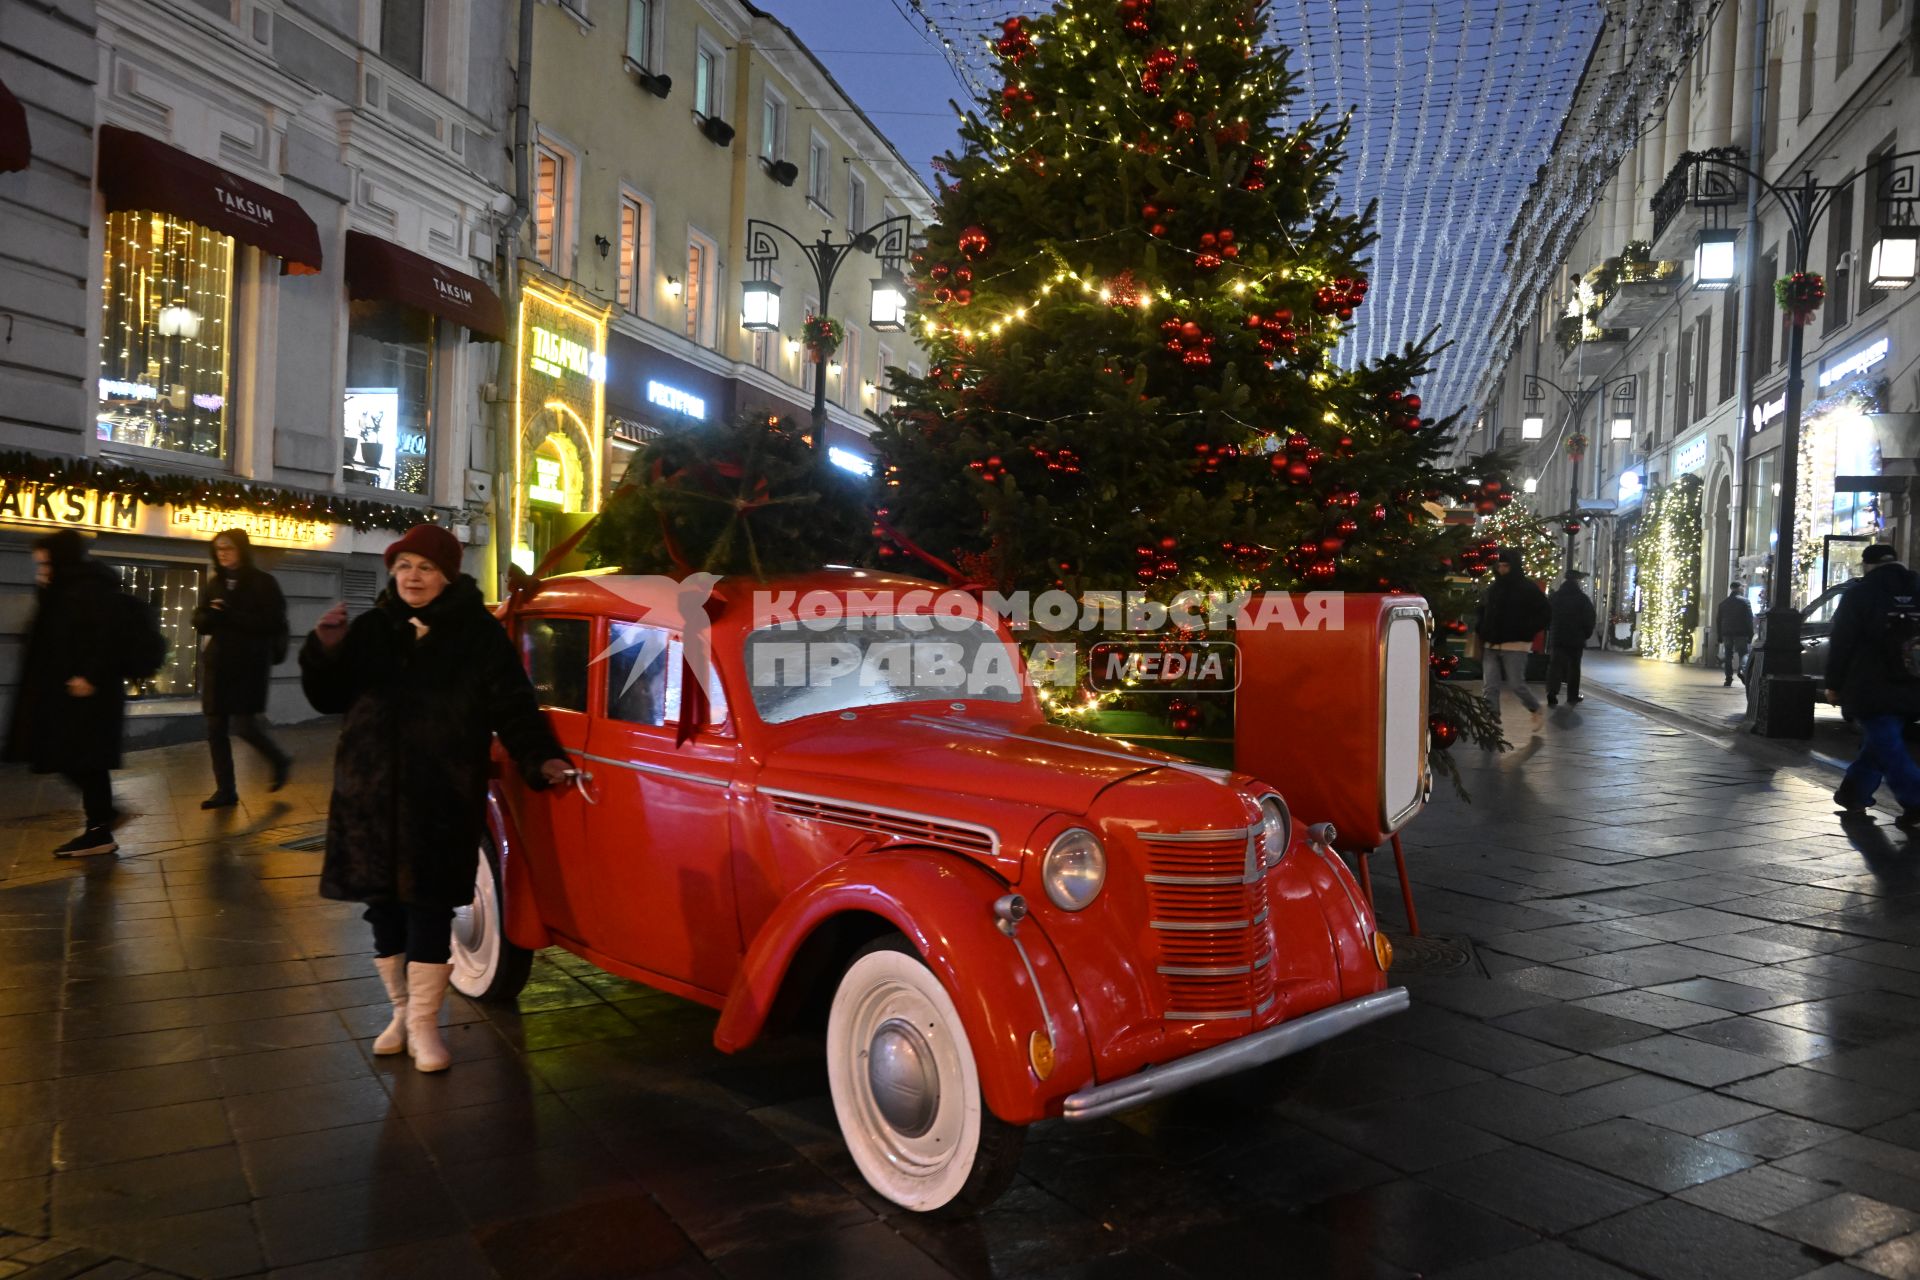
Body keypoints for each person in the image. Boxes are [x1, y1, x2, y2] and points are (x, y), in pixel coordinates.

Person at [300, 524, 572, 1072]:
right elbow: (329, 697)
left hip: (440, 793)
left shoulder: (476, 633)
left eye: (424, 568)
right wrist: (324, 649)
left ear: (446, 575)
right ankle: (399, 1013)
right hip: (369, 793)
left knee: (429, 906)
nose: (412, 577)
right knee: (383, 908)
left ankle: (425, 1025)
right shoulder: (374, 627)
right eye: (404, 567)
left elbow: (513, 705)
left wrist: (539, 756)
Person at [3, 530, 130, 857]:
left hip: (87, 692)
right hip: (66, 690)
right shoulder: (65, 587)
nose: (41, 570)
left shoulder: (90, 588)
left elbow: (108, 637)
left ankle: (101, 826)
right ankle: (101, 824)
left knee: (80, 757)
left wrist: (90, 675)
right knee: (78, 758)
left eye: (46, 563)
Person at [194, 529, 293, 809]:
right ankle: (225, 790)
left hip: (248, 665)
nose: (223, 553)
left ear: (241, 549)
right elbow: (201, 619)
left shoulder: (263, 583)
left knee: (245, 726)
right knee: (215, 729)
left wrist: (230, 614)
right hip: (219, 664)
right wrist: (209, 615)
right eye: (218, 549)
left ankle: (279, 760)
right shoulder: (215, 582)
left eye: (228, 547)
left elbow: (272, 622)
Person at [1825, 544, 1920, 823]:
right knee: (1882, 739)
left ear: (1868, 565)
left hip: (1872, 683)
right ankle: (1853, 793)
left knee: (1887, 742)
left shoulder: (1860, 593)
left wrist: (1834, 683)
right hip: (1913, 680)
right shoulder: (1917, 588)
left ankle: (1916, 799)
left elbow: (1842, 641)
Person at [1476, 548, 1549, 730]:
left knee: (1516, 684)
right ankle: (1492, 721)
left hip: (1516, 643)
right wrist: (1482, 629)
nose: (1501, 569)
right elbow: (1482, 611)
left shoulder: (1527, 588)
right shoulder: (1493, 589)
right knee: (1490, 686)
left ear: (1513, 566)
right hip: (1491, 643)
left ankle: (1535, 708)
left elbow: (1545, 613)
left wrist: (1527, 630)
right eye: (1499, 566)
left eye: (1505, 566)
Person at [1545, 569, 1596, 707]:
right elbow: (1590, 618)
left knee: (1555, 665)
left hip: (1558, 637)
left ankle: (1552, 692)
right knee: (1574, 667)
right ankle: (1572, 695)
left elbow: (1547, 614)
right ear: (1577, 582)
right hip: (1576, 638)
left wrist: (1551, 629)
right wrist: (1586, 633)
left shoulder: (1556, 597)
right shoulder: (1582, 598)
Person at [1716, 582, 1755, 687]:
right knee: (1743, 654)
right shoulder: (1745, 602)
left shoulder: (1723, 603)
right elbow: (1749, 619)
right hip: (1740, 633)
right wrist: (1751, 634)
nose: (1743, 589)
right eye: (1742, 587)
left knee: (1728, 655)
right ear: (1739, 588)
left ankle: (1728, 678)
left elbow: (1718, 620)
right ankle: (1742, 672)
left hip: (1727, 633)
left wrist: (1719, 635)